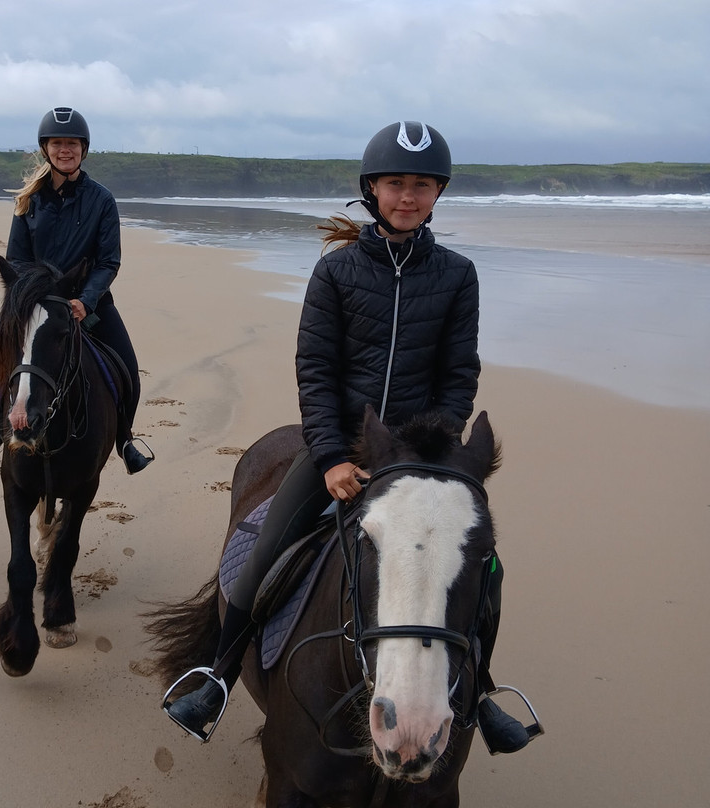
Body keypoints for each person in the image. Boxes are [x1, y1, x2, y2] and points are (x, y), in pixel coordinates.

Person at [163, 121, 532, 753]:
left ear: (437, 193)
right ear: (372, 189)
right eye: (395, 184)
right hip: (338, 450)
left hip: (417, 460)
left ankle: (483, 687)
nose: (407, 196)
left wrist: (426, 460)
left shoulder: (458, 275)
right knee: (263, 557)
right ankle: (218, 677)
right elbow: (316, 371)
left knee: (484, 570)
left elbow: (458, 374)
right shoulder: (336, 273)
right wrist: (332, 455)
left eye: (421, 185)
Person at [0, 107, 153, 475]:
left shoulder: (102, 200)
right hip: (35, 307)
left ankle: (126, 441)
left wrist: (85, 300)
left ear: (83, 149)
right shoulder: (29, 199)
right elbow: (17, 258)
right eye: (57, 144)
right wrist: (30, 298)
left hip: (86, 301)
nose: (64, 150)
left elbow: (108, 262)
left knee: (128, 368)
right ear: (45, 148)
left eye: (71, 144)